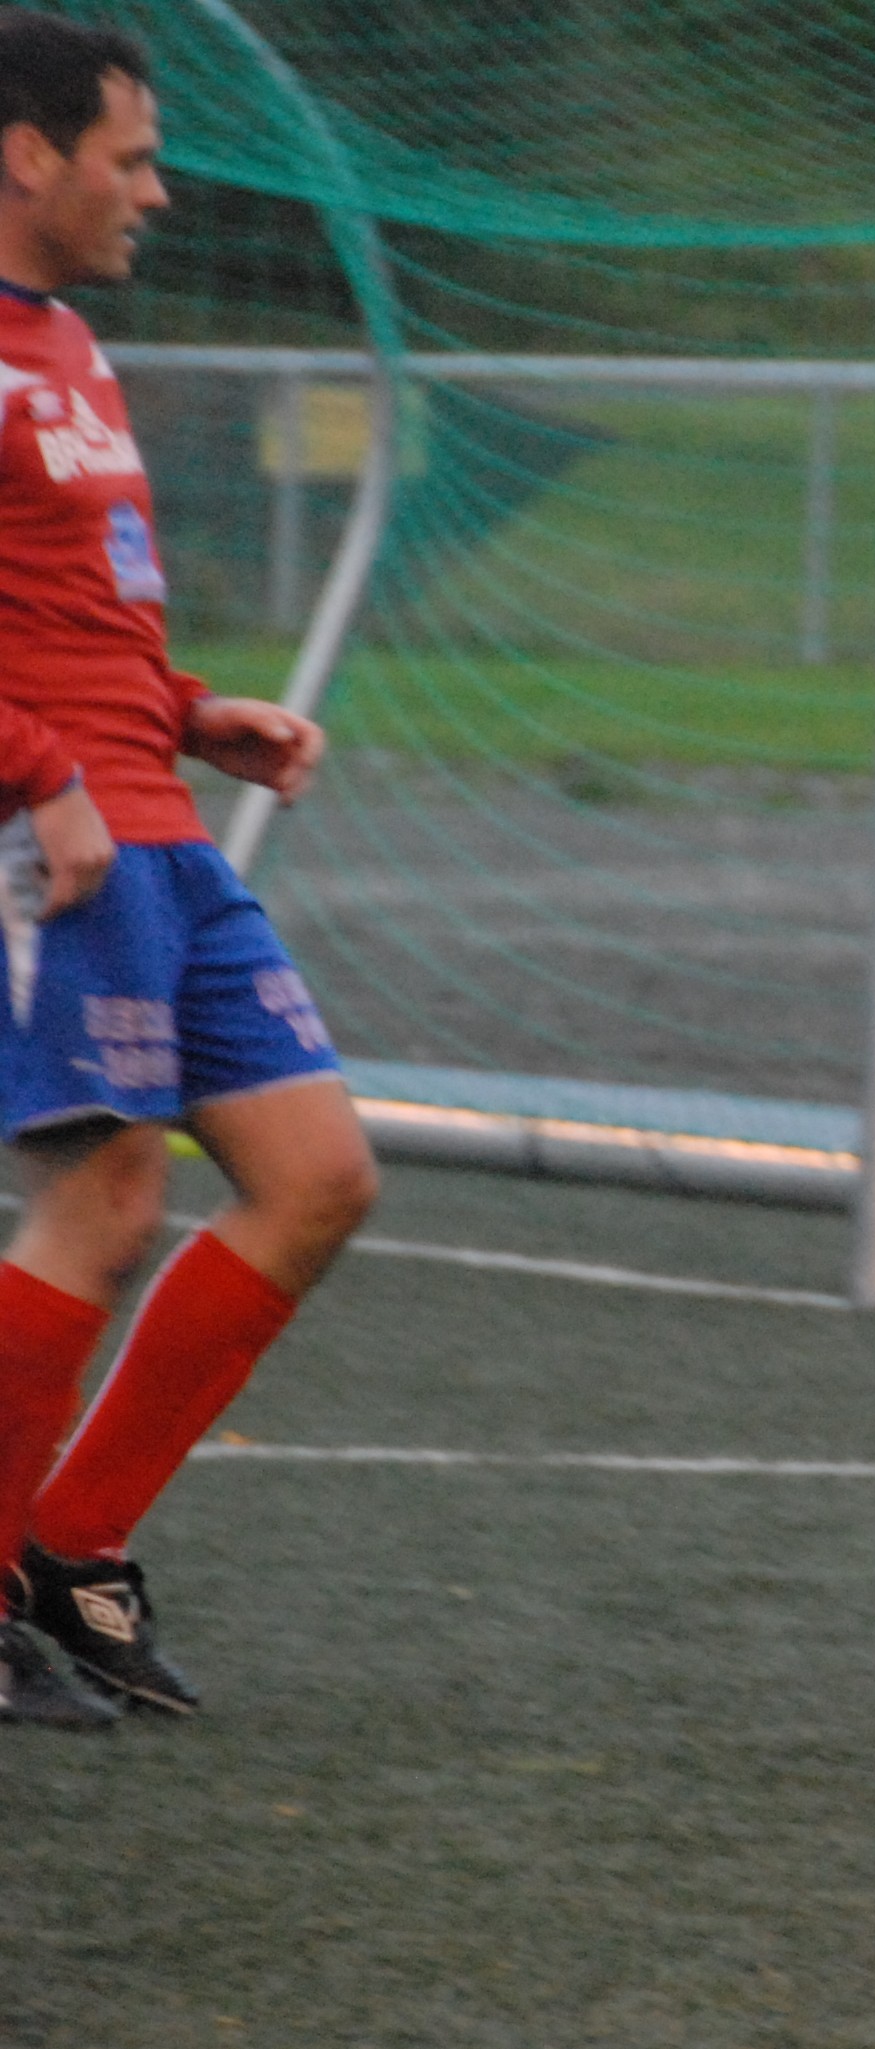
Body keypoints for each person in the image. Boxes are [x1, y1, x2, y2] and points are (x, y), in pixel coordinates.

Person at [0, 11, 378, 1730]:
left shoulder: (67, 343)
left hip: (151, 813)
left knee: (317, 1176)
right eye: (131, 156)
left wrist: (183, 709)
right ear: (28, 152)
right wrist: (43, 774)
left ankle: (67, 1549)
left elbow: (69, 613)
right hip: (55, 838)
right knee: (108, 1203)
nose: (156, 190)